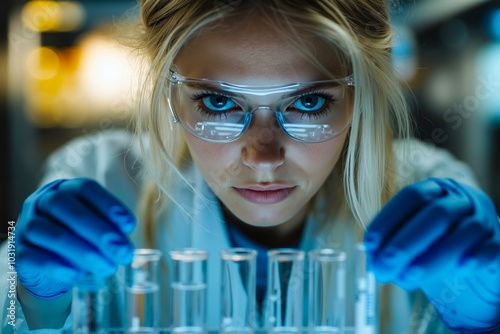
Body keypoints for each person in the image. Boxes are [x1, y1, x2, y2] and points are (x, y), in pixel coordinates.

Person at [2, 0, 499, 333]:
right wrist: (29, 297)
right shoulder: (101, 174)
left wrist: (485, 317)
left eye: (309, 104)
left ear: (361, 97)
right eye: (217, 103)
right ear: (167, 94)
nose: (263, 156)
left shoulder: (424, 188)